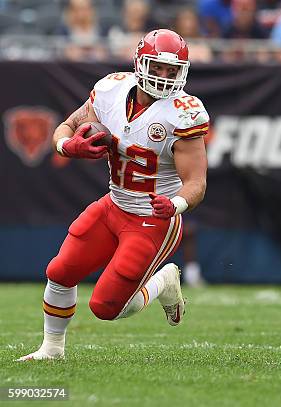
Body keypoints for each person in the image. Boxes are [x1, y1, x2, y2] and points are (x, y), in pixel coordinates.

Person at [18, 29, 209, 361]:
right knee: (60, 272)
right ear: (139, 63)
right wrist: (68, 145)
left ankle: (163, 282)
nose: (164, 77)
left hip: (153, 219)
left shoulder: (183, 113)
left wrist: (175, 204)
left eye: (172, 70)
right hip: (114, 204)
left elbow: (196, 183)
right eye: (157, 67)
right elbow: (67, 126)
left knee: (106, 307)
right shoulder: (111, 89)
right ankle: (51, 349)